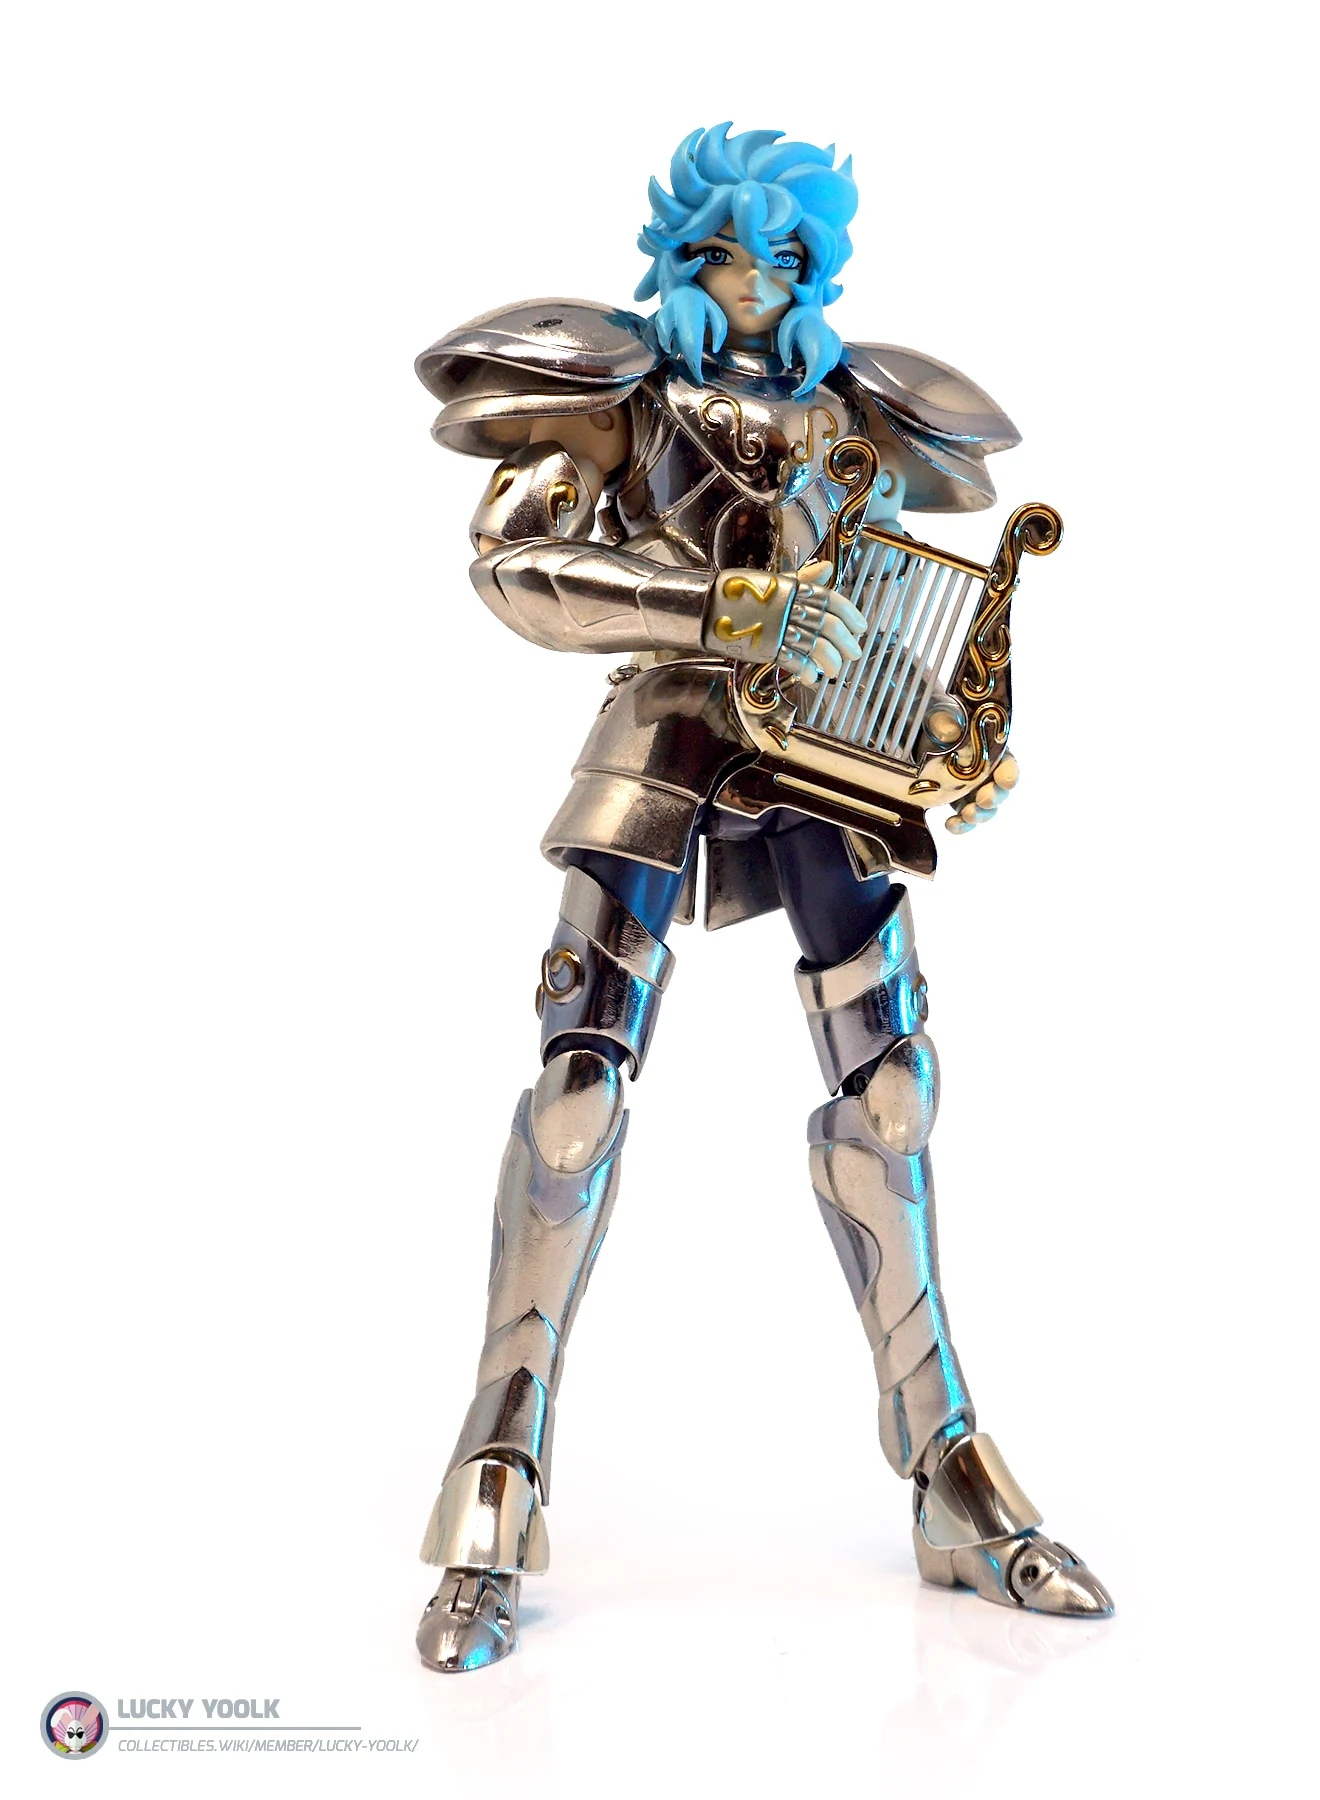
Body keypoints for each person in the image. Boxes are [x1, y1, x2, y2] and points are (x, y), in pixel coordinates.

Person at [412, 122, 1112, 1672]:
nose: (754, 278)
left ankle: (949, 1472)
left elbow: (878, 600)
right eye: (730, 249)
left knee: (896, 1097)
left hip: (827, 762)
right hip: (661, 746)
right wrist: (715, 604)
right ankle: (495, 1486)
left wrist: (949, 741)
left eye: (786, 254)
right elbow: (515, 568)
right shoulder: (620, 394)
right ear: (684, 253)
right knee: (576, 1103)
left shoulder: (851, 409)